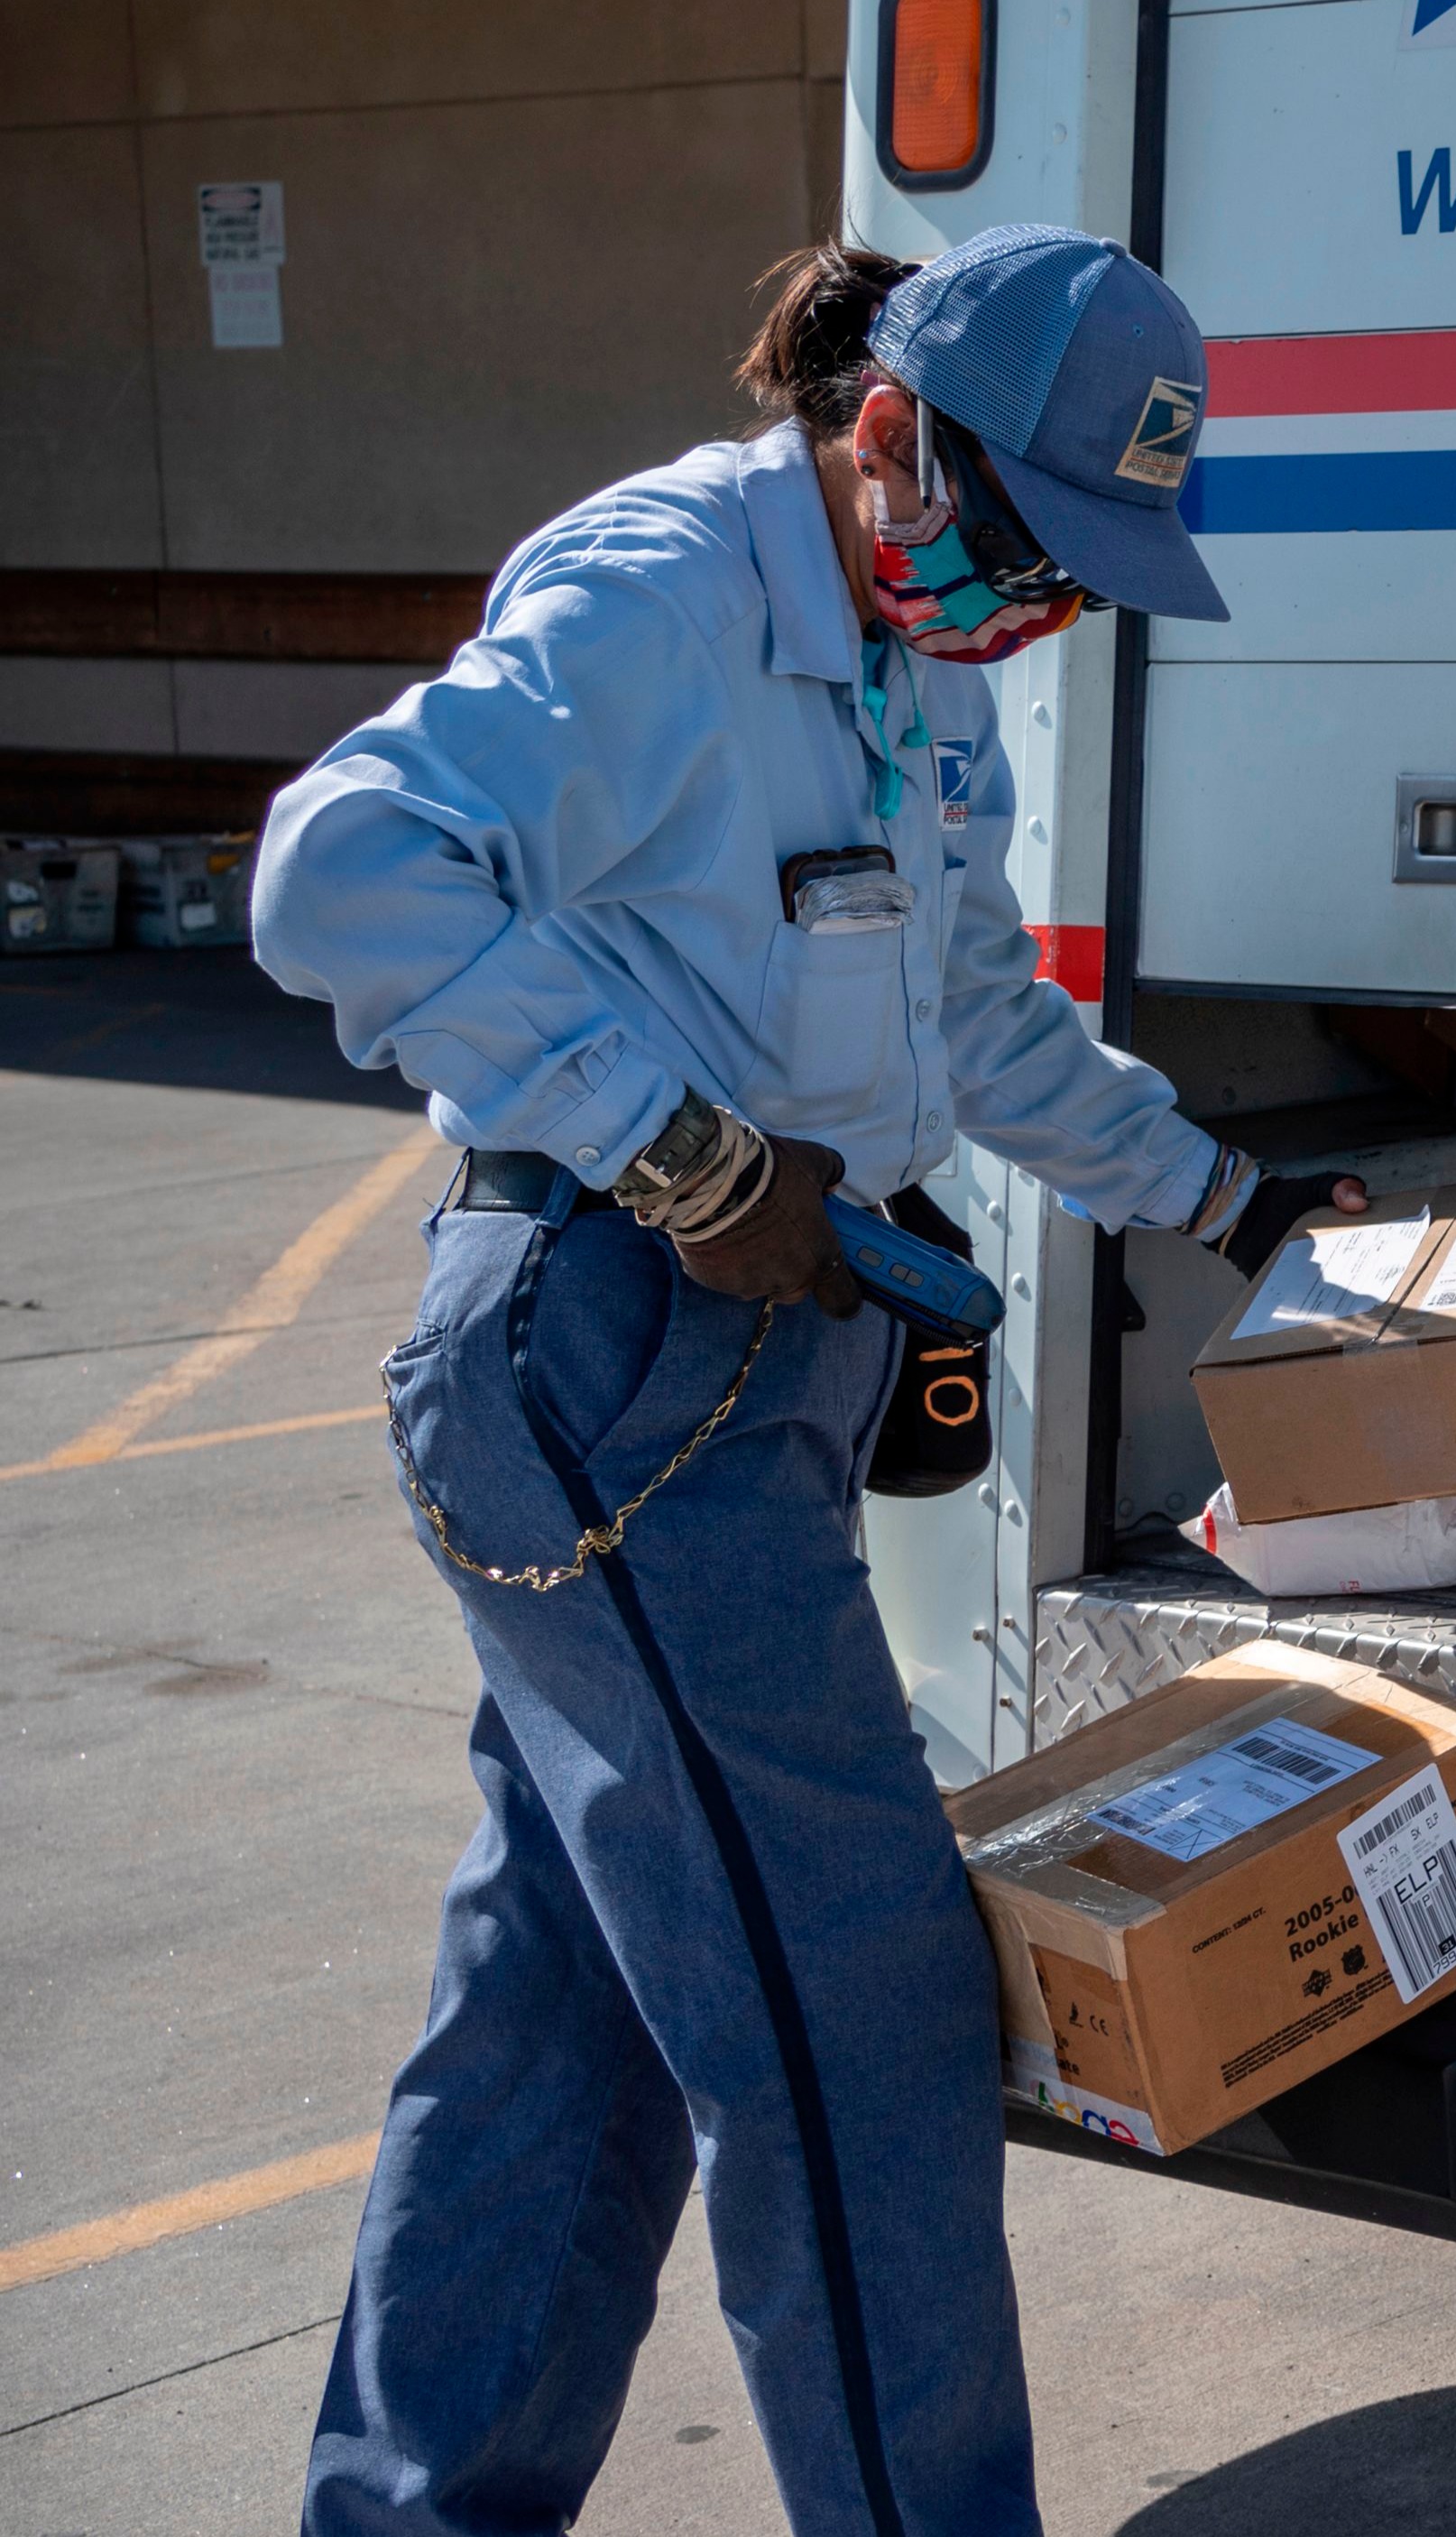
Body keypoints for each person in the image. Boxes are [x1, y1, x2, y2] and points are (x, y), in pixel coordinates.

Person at [252, 226, 1363, 2537]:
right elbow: (339, 871)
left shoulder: (910, 667)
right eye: (1030, 556)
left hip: (740, 1377)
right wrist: (669, 1146)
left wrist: (1230, 1205)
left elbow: (975, 1026)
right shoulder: (661, 598)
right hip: (603, 1345)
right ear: (887, 438)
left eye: (1082, 584)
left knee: (571, 2018)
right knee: (854, 2011)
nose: (1039, 616)